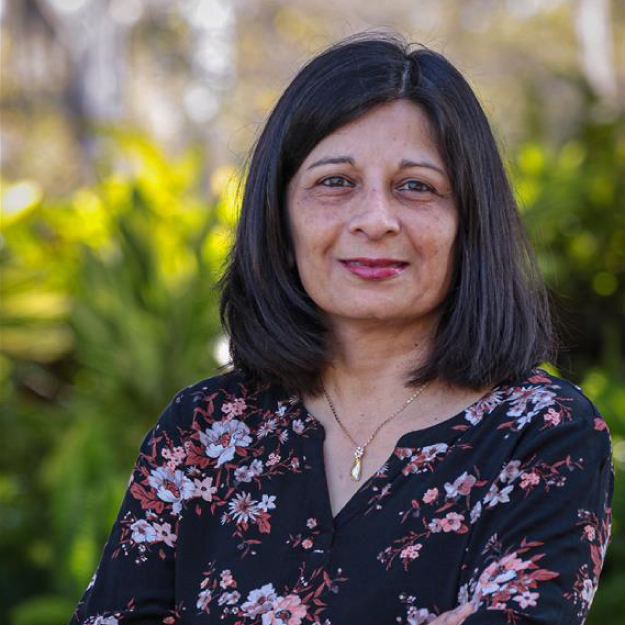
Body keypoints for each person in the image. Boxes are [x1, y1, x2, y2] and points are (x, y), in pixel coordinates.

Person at [68, 33, 613, 625]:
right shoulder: (203, 432)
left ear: (468, 223)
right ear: (280, 217)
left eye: (416, 186)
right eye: (336, 182)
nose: (376, 220)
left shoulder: (541, 433)